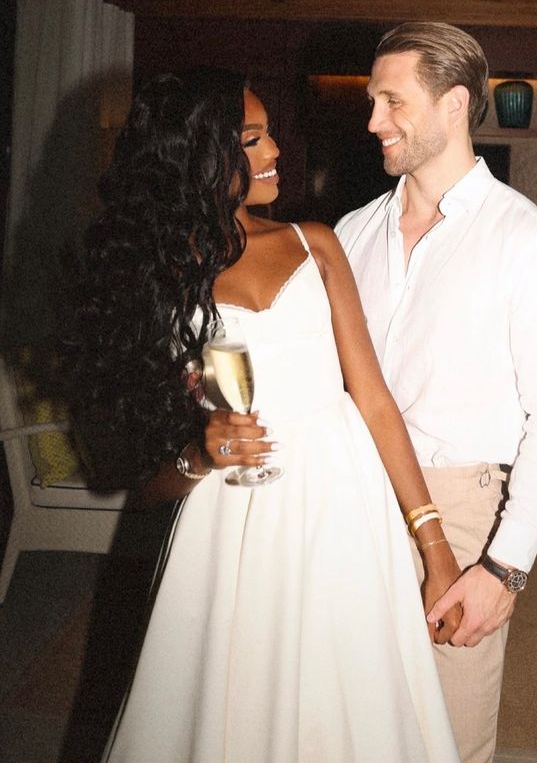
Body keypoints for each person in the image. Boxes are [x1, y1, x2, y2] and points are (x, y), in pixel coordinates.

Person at [66, 67, 464, 763]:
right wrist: (200, 451)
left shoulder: (315, 243)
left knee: (353, 694)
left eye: (268, 132)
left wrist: (433, 546)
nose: (275, 149)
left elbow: (373, 399)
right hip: (230, 519)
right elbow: (147, 482)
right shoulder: (156, 279)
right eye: (251, 139)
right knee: (237, 705)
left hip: (341, 501)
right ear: (198, 156)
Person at [335, 22, 537, 763]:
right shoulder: (351, 234)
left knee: (444, 732)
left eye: (392, 101)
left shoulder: (530, 242)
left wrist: (504, 566)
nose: (373, 120)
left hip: (462, 506)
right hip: (352, 493)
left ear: (453, 105)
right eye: (372, 100)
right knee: (349, 709)